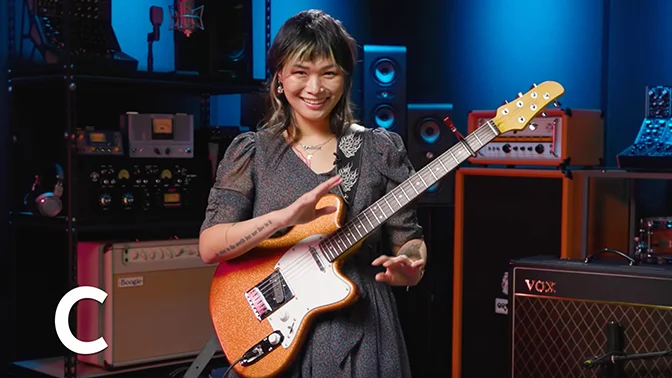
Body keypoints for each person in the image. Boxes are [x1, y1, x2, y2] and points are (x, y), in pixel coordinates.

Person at [199, 9, 427, 378]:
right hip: (277, 329)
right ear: (279, 79)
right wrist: (284, 219)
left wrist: (411, 268)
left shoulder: (378, 149)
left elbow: (409, 240)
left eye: (329, 73)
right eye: (300, 72)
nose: (315, 88)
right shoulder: (252, 152)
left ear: (345, 79)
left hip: (364, 333)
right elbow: (210, 246)